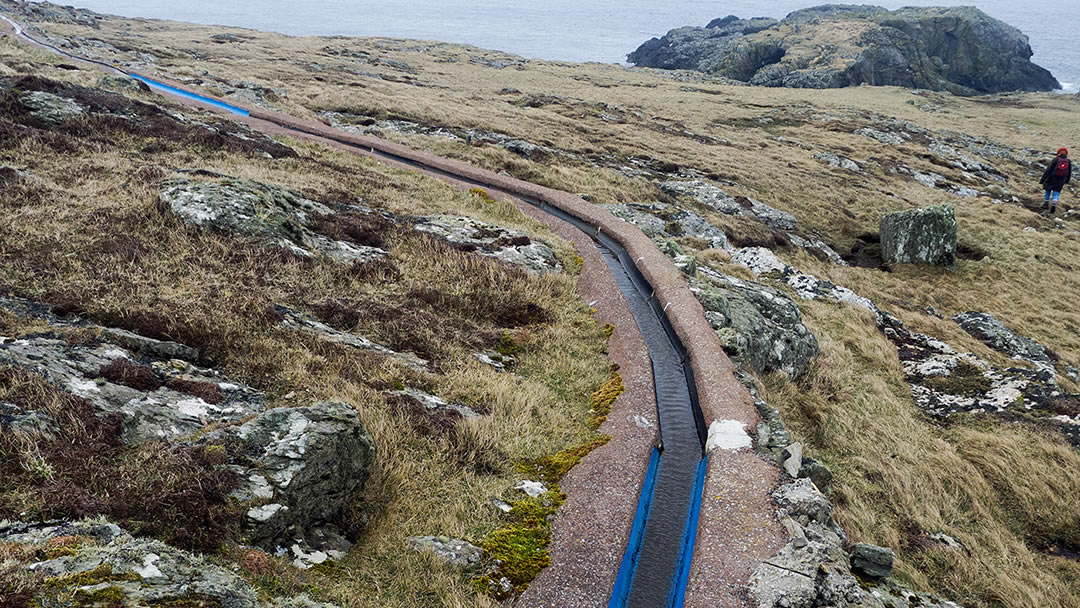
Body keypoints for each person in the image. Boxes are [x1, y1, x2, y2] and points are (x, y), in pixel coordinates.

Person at [1039, 147, 1071, 214]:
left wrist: (1042, 180)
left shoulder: (1055, 160)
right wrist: (1067, 181)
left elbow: (1048, 170)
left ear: (1058, 153)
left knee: (1048, 190)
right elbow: (1069, 172)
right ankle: (1054, 203)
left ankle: (1046, 203)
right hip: (1061, 180)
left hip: (1051, 178)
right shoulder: (1068, 161)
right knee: (1056, 192)